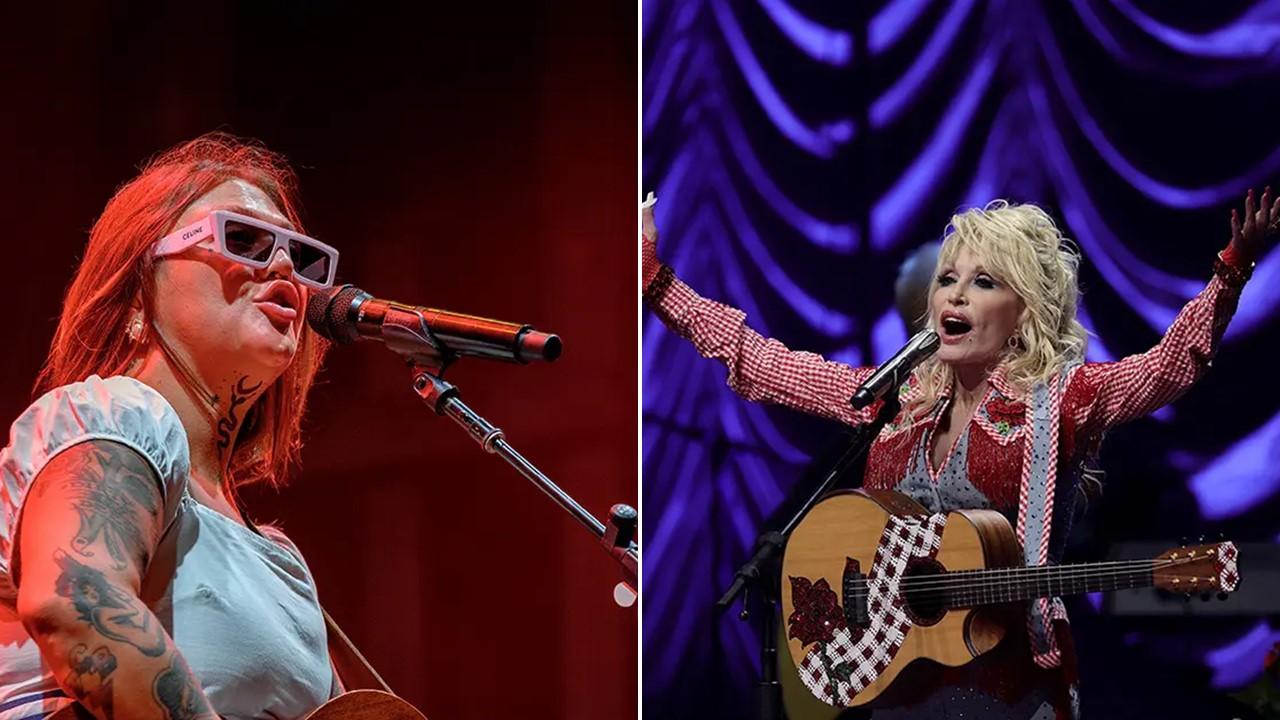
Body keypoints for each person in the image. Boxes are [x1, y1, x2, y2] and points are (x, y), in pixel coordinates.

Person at [641, 190, 1276, 719]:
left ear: (1025, 311)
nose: (955, 295)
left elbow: (1169, 367)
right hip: (891, 675)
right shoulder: (897, 397)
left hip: (1010, 684)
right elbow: (766, 363)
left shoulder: (1064, 400)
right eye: (948, 280)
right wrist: (660, 284)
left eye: (983, 282)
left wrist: (1231, 269)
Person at [0, 134, 341, 720]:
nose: (284, 265)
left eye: (300, 256)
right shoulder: (116, 416)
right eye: (243, 238)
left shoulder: (280, 560)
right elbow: (76, 603)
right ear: (138, 293)